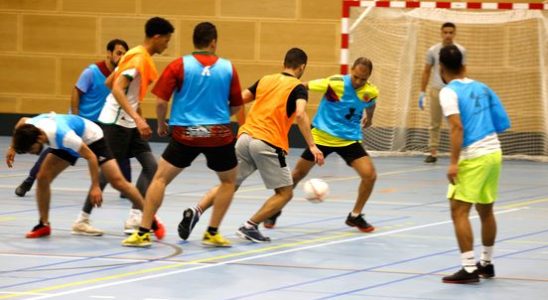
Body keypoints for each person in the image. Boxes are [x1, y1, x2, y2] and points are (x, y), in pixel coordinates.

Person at [176, 47, 324, 244]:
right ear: (302, 66)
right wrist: (312, 146)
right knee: (285, 193)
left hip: (244, 138)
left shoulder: (265, 79)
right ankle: (250, 226)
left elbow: (238, 100)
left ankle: (196, 210)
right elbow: (300, 114)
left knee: (229, 185)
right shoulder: (298, 88)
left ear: (284, 63)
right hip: (269, 143)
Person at [122, 21, 243, 248]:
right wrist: (218, 114)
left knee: (159, 179)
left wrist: (160, 124)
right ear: (214, 42)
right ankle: (212, 232)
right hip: (218, 134)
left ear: (194, 42)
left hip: (185, 133)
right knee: (228, 181)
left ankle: (143, 233)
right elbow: (237, 107)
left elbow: (160, 101)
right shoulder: (228, 68)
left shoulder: (179, 65)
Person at [264, 57, 379, 232]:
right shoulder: (334, 83)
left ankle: (355, 216)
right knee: (296, 175)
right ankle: (275, 209)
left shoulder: (370, 91)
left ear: (369, 77)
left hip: (349, 139)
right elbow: (302, 86)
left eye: (363, 79)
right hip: (321, 137)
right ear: (351, 70)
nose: (358, 82)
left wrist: (369, 118)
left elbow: (370, 104)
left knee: (370, 175)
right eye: (355, 77)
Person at [14, 39, 131, 201]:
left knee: (118, 150)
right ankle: (29, 181)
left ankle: (126, 187)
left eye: (125, 53)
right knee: (54, 152)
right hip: (79, 122)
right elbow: (76, 92)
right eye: (119, 52)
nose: (122, 56)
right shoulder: (91, 71)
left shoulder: (120, 76)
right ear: (109, 53)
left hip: (100, 125)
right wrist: (75, 115)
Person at [4, 113, 150, 239]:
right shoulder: (29, 126)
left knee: (118, 182)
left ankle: (150, 217)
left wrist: (95, 186)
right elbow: (21, 121)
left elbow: (91, 157)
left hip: (91, 140)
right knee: (42, 177)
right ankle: (43, 224)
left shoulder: (63, 135)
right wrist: (13, 147)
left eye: (31, 149)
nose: (31, 153)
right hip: (67, 143)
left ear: (39, 138)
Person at [438, 45, 510, 283]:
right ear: (464, 66)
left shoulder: (448, 92)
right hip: (494, 152)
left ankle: (469, 268)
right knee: (486, 209)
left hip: (474, 155)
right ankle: (486, 264)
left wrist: (453, 163)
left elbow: (457, 127)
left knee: (458, 209)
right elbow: (500, 119)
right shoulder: (482, 87)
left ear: (441, 68)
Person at [98, 17, 174, 236]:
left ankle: (134, 217)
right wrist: (139, 118)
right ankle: (82, 218)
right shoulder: (138, 58)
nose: (167, 45)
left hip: (128, 121)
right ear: (157, 37)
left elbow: (109, 82)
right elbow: (116, 89)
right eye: (166, 40)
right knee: (109, 174)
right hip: (116, 123)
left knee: (152, 167)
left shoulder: (135, 55)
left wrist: (136, 114)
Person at [419, 22, 466, 163]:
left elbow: (463, 70)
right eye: (445, 32)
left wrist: (463, 88)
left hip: (455, 90)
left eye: (451, 32)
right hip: (437, 91)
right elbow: (426, 71)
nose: (448, 35)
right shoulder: (433, 50)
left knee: (457, 123)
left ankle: (460, 152)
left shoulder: (461, 51)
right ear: (441, 33)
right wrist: (422, 92)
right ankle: (433, 152)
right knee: (434, 123)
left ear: (455, 33)